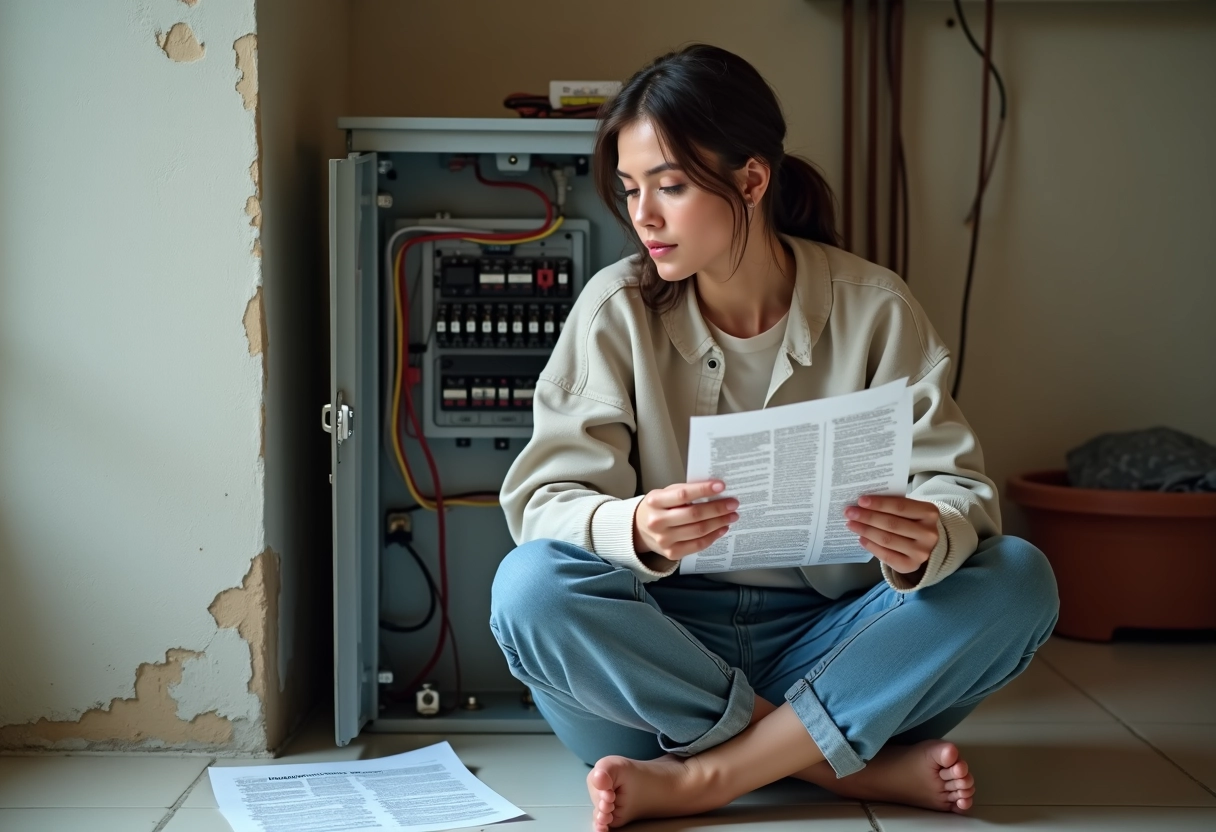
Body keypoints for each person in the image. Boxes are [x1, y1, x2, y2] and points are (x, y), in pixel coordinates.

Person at [490, 44, 1059, 831]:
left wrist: (931, 535)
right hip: (655, 653)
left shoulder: (875, 309)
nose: (642, 217)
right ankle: (829, 766)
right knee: (528, 589)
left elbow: (960, 493)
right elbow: (543, 503)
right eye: (629, 191)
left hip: (836, 646)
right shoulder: (615, 309)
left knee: (1018, 578)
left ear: (752, 180)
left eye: (672, 186)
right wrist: (632, 525)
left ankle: (703, 779)